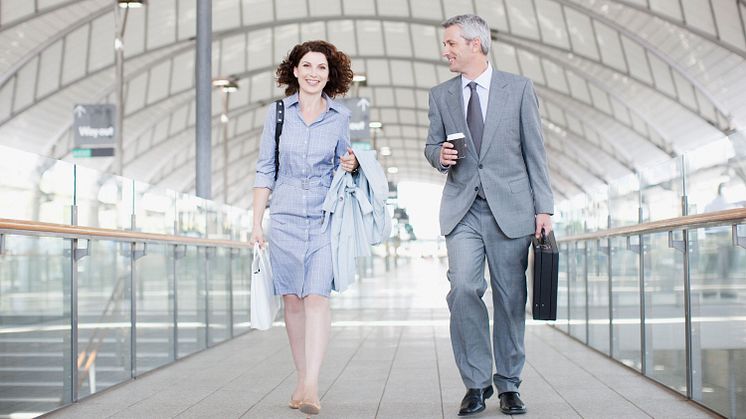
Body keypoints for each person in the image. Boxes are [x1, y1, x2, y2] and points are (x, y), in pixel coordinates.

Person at [424, 14, 554, 416]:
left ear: (475, 44)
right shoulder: (441, 94)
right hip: (463, 208)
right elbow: (431, 145)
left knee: (511, 298)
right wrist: (439, 156)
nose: (444, 50)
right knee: (463, 288)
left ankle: (509, 384)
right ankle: (476, 383)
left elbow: (535, 151)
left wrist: (544, 207)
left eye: (450, 44)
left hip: (511, 210)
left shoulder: (518, 89)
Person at [251, 40, 357, 417]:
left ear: (331, 76)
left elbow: (346, 166)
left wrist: (352, 163)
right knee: (292, 302)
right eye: (307, 66)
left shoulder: (340, 116)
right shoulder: (277, 114)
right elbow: (266, 169)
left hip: (325, 219)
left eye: (322, 68)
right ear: (294, 71)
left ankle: (311, 384)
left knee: (316, 298)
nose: (314, 73)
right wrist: (256, 222)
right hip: (284, 220)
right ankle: (301, 378)